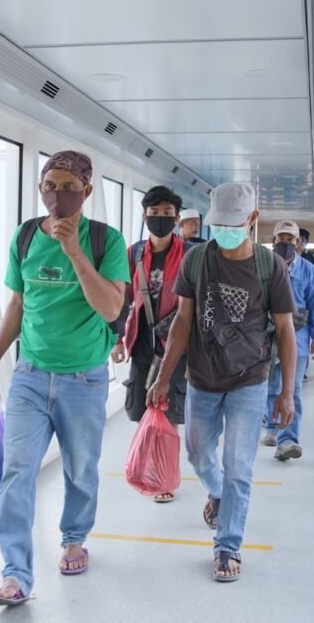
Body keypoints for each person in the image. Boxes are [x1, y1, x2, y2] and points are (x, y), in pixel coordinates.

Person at [0, 150, 130, 607]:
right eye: (49, 186)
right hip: (30, 375)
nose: (57, 195)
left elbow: (111, 308)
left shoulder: (105, 240)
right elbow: (18, 305)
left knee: (80, 469)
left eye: (69, 187)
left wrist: (74, 252)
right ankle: (15, 574)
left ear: (87, 191)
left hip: (84, 378)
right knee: (16, 470)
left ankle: (74, 538)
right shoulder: (24, 237)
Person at [148, 182, 297, 583]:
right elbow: (183, 320)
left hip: (250, 380)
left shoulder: (269, 267)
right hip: (202, 378)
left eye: (233, 225)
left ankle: (228, 545)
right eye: (219, 225)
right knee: (198, 454)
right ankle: (217, 493)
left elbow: (285, 329)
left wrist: (286, 392)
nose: (225, 232)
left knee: (239, 467)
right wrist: (163, 377)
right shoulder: (197, 260)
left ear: (252, 219)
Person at [111, 185, 192, 503]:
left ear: (176, 218)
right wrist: (117, 338)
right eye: (154, 213)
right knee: (140, 409)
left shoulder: (189, 254)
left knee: (168, 412)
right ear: (145, 216)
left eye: (167, 213)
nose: (160, 218)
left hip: (175, 346)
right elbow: (122, 298)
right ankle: (148, 467)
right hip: (143, 343)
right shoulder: (134, 253)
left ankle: (163, 477)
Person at [261, 221, 314, 461]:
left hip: (297, 340)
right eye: (281, 239)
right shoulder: (263, 267)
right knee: (270, 386)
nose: (286, 243)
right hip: (267, 337)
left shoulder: (307, 271)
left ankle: (287, 440)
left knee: (292, 388)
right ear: (273, 241)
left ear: (298, 243)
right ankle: (272, 426)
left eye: (290, 240)